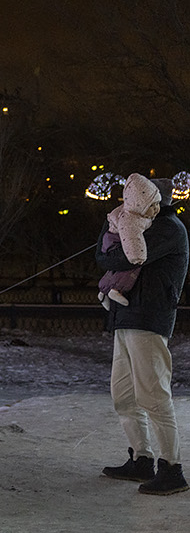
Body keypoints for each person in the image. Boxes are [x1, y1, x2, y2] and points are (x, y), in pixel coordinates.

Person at [96, 174, 188, 496]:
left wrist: (110, 250)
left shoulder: (168, 230)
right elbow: (103, 252)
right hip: (126, 318)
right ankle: (141, 458)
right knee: (123, 395)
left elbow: (122, 256)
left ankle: (172, 468)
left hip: (149, 319)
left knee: (153, 395)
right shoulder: (136, 222)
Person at [97, 174, 160, 310]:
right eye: (152, 206)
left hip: (113, 240)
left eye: (157, 204)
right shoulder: (131, 220)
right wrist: (138, 256)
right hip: (116, 242)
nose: (156, 209)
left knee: (114, 269)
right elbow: (132, 238)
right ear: (140, 205)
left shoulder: (135, 213)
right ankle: (116, 289)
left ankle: (103, 292)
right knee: (132, 266)